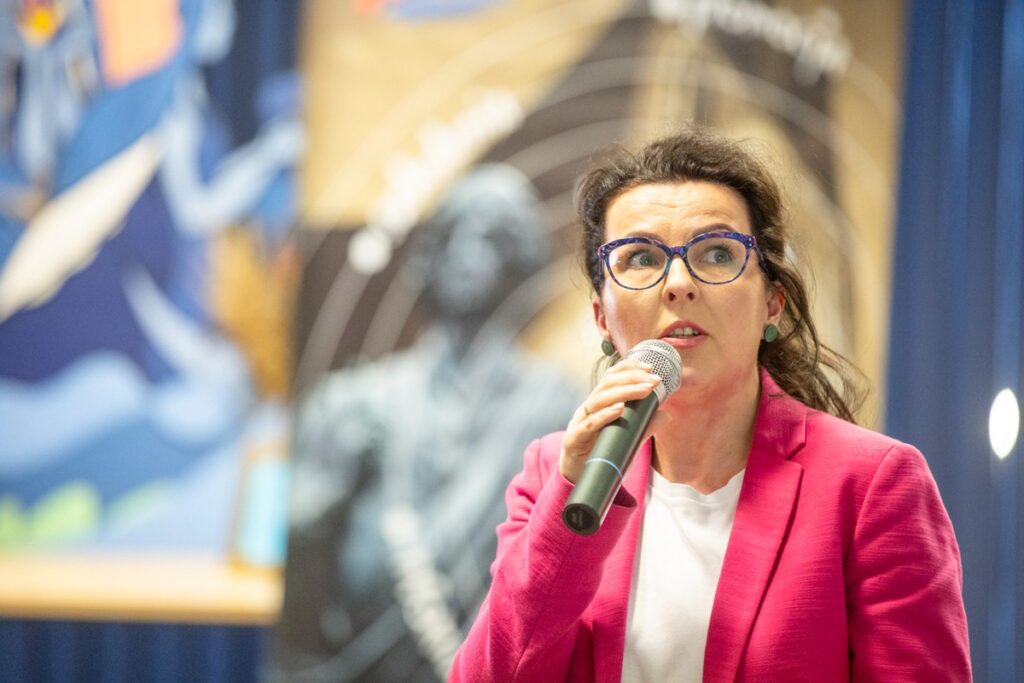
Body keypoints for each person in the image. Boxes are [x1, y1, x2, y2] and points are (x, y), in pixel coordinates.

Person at [449, 128, 971, 682]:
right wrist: (567, 507)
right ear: (603, 318)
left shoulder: (873, 485)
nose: (678, 284)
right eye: (641, 257)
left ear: (773, 304)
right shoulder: (551, 472)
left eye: (717, 253)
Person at [271, 164, 580, 682]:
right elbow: (297, 559)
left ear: (519, 262)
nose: (466, 254)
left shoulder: (558, 408)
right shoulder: (357, 402)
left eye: (487, 237)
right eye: (453, 235)